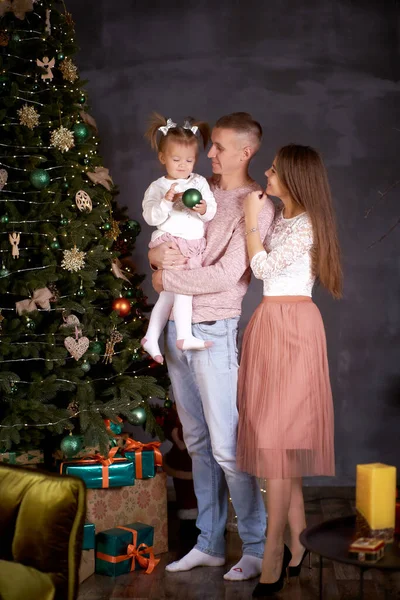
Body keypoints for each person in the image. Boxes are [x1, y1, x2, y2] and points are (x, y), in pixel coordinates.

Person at [150, 113, 275, 581]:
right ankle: (209, 543)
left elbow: (227, 276)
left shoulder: (257, 206)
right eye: (210, 146)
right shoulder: (197, 187)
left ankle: (257, 547)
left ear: (246, 151)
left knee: (226, 445)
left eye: (220, 147)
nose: (210, 153)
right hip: (177, 329)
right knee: (198, 443)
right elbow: (168, 235)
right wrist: (154, 256)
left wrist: (166, 276)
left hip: (215, 329)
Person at [237, 144, 342, 597]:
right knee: (282, 445)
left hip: (293, 327)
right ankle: (300, 547)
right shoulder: (285, 218)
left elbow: (262, 267)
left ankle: (274, 559)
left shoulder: (308, 226)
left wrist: (248, 219)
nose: (267, 173)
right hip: (271, 324)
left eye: (275, 170)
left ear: (296, 178)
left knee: (279, 445)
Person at [141, 113, 217, 363]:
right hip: (171, 242)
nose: (183, 165)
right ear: (163, 158)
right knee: (183, 288)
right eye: (176, 160)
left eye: (189, 160)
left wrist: (203, 208)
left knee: (170, 294)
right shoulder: (158, 187)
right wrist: (165, 202)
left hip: (193, 245)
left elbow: (212, 212)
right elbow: (151, 217)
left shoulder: (199, 182)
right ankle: (183, 335)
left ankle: (151, 336)